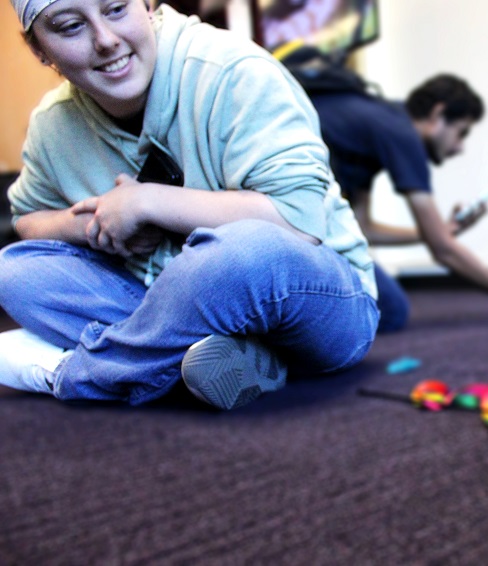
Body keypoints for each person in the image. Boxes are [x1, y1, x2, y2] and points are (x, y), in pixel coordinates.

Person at [0, 0, 378, 410]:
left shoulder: (235, 70)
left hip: (315, 298)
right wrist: (99, 227)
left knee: (241, 254)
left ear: (146, 4)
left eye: (115, 9)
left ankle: (74, 374)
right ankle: (229, 359)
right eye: (71, 26)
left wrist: (147, 202)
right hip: (161, 298)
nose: (106, 40)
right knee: (13, 272)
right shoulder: (52, 123)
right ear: (40, 49)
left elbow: (296, 221)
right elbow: (28, 220)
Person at [308, 74, 488, 333]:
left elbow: (364, 229)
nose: (460, 147)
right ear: (438, 115)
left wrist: (442, 231)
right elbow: (443, 252)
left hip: (299, 219)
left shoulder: (377, 124)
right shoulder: (401, 133)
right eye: (461, 132)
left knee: (385, 304)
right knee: (390, 310)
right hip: (291, 223)